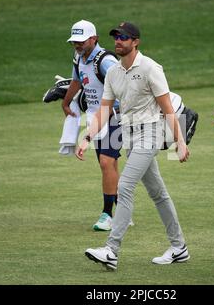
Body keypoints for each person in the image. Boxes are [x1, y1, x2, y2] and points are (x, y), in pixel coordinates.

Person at [77, 22, 190, 271]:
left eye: (123, 37)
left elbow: (167, 108)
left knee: (125, 186)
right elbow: (104, 109)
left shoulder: (150, 68)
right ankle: (179, 247)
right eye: (116, 37)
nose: (118, 41)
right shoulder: (114, 72)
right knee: (158, 193)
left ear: (135, 41)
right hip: (129, 137)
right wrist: (86, 138)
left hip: (149, 134)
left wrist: (179, 142)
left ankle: (111, 250)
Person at [63, 20, 122, 231]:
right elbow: (77, 81)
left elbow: (124, 85)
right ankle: (123, 211)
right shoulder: (79, 58)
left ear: (93, 39)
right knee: (109, 165)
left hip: (114, 115)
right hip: (95, 117)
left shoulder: (105, 61)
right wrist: (66, 101)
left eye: (81, 41)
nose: (77, 45)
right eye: (74, 42)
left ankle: (107, 215)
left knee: (107, 163)